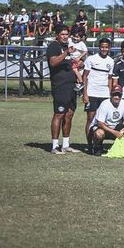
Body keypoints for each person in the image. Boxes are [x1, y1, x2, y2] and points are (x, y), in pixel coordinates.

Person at [46, 26, 80, 154]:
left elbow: (67, 64)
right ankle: (55, 146)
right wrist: (66, 53)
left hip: (71, 86)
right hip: (60, 86)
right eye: (62, 34)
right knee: (59, 114)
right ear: (57, 35)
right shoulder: (54, 46)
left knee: (69, 114)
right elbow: (53, 62)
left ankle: (65, 145)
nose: (65, 36)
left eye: (67, 34)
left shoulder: (67, 47)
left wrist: (76, 64)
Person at [83, 38, 114, 151]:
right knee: (90, 119)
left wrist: (110, 94)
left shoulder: (111, 61)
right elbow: (84, 77)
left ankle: (98, 144)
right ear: (99, 47)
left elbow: (110, 79)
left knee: (103, 120)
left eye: (106, 47)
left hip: (104, 94)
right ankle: (89, 144)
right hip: (92, 93)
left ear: (109, 48)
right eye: (102, 47)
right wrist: (85, 93)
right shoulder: (91, 59)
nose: (104, 49)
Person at [89, 85, 124, 156]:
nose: (117, 97)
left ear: (121, 95)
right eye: (114, 95)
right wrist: (114, 132)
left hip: (115, 128)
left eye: (119, 95)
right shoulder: (105, 104)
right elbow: (100, 124)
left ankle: (120, 146)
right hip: (102, 128)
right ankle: (97, 147)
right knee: (99, 133)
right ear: (111, 95)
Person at [68, 26, 88, 91]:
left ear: (81, 38)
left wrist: (79, 57)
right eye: (75, 36)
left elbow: (86, 51)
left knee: (74, 69)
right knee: (74, 71)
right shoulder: (71, 41)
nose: (76, 38)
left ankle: (81, 82)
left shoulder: (81, 44)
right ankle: (78, 83)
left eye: (77, 37)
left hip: (78, 59)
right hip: (72, 59)